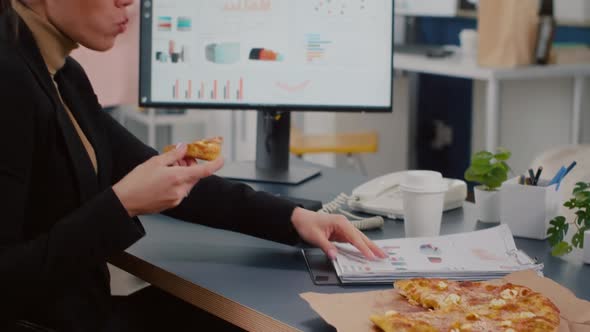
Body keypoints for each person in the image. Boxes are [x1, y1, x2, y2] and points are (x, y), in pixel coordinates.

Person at [0, 0, 386, 331]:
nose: (127, 2)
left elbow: (159, 170)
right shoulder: (10, 78)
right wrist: (123, 205)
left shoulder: (64, 75)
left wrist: (295, 218)